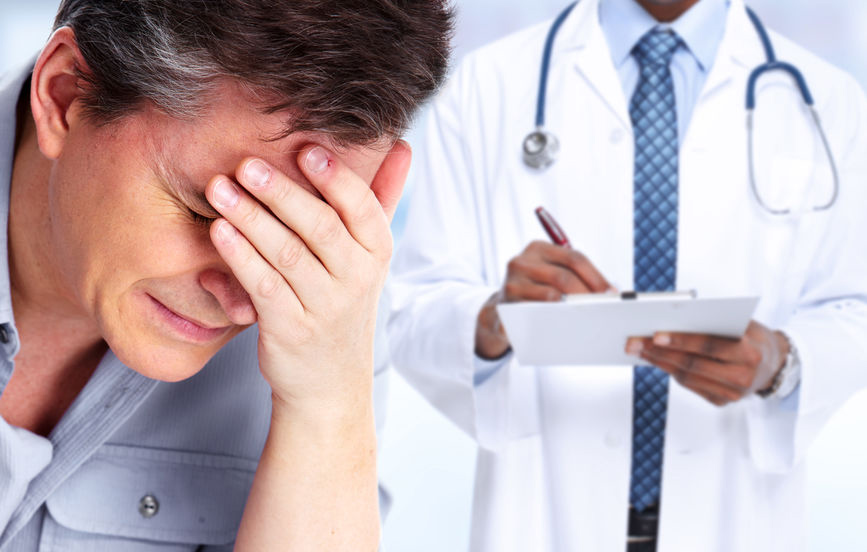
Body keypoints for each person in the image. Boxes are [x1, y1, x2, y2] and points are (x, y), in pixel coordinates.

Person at [388, 0, 867, 550]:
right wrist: (494, 322)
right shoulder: (488, 84)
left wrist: (781, 363)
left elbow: (855, 309)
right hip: (545, 513)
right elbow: (413, 311)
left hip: (735, 511)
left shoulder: (826, 99)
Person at [0, 1, 452, 550]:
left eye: (298, 238)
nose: (247, 298)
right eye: (206, 213)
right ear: (65, 96)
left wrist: (326, 408)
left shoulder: (320, 310)